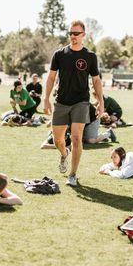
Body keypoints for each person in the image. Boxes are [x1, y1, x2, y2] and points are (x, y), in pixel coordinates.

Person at [43, 20, 104, 187]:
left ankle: (73, 174)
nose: (72, 36)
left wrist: (100, 101)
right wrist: (46, 98)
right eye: (70, 33)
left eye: (76, 33)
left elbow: (96, 80)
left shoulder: (90, 56)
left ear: (83, 35)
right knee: (58, 140)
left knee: (77, 138)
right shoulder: (60, 54)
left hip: (81, 102)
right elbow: (51, 78)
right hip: (61, 102)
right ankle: (64, 153)